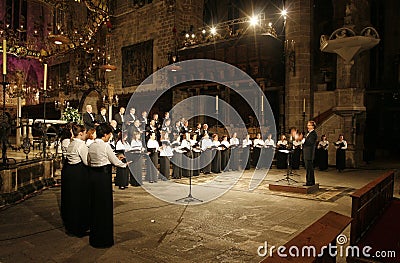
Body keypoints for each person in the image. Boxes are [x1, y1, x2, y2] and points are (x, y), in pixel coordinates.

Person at [87, 123, 128, 248]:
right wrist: (124, 164)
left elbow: (89, 160)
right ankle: (104, 239)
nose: (110, 137)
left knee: (95, 206)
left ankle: (95, 237)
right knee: (104, 207)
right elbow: (114, 161)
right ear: (105, 135)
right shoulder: (105, 146)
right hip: (103, 178)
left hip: (93, 177)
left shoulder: (91, 145)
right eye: (109, 134)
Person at [61, 124, 89, 237]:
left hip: (70, 173)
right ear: (81, 133)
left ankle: (71, 226)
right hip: (79, 175)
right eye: (85, 132)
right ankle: (79, 227)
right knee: (80, 201)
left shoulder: (71, 143)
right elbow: (87, 161)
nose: (86, 134)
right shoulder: (81, 145)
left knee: (71, 200)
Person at [303, 121, 318, 186]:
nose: (307, 126)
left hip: (309, 153)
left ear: (313, 126)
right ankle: (310, 181)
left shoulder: (313, 134)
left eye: (309, 125)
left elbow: (310, 143)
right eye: (307, 125)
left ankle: (310, 182)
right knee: (308, 168)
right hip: (307, 153)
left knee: (309, 168)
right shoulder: (309, 133)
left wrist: (303, 140)